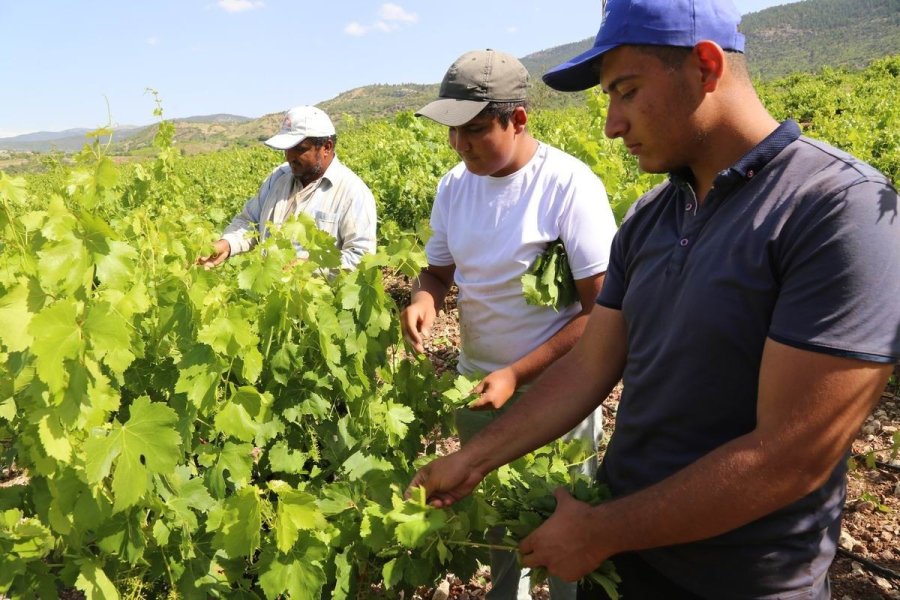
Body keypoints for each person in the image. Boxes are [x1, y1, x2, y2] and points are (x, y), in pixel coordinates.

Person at [406, 1, 900, 599]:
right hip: (627, 566)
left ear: (706, 67)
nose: (611, 123)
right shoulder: (650, 217)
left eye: (627, 91)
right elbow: (589, 366)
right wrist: (474, 459)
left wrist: (599, 531)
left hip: (740, 581)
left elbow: (793, 454)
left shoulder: (835, 209)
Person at [401, 49, 618, 599]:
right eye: (452, 132)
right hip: (479, 385)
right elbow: (437, 271)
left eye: (473, 130)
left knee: (565, 529)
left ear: (517, 119)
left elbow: (603, 312)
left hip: (560, 391)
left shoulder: (570, 185)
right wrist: (423, 298)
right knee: (498, 526)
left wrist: (519, 373)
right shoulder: (455, 186)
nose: (459, 145)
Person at [196, 105, 376, 271]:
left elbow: (361, 257)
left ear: (326, 147)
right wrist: (227, 244)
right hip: (271, 297)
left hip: (314, 302)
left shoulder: (353, 193)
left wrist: (310, 268)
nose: (289, 156)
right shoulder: (278, 177)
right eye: (287, 148)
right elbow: (249, 221)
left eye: (299, 149)